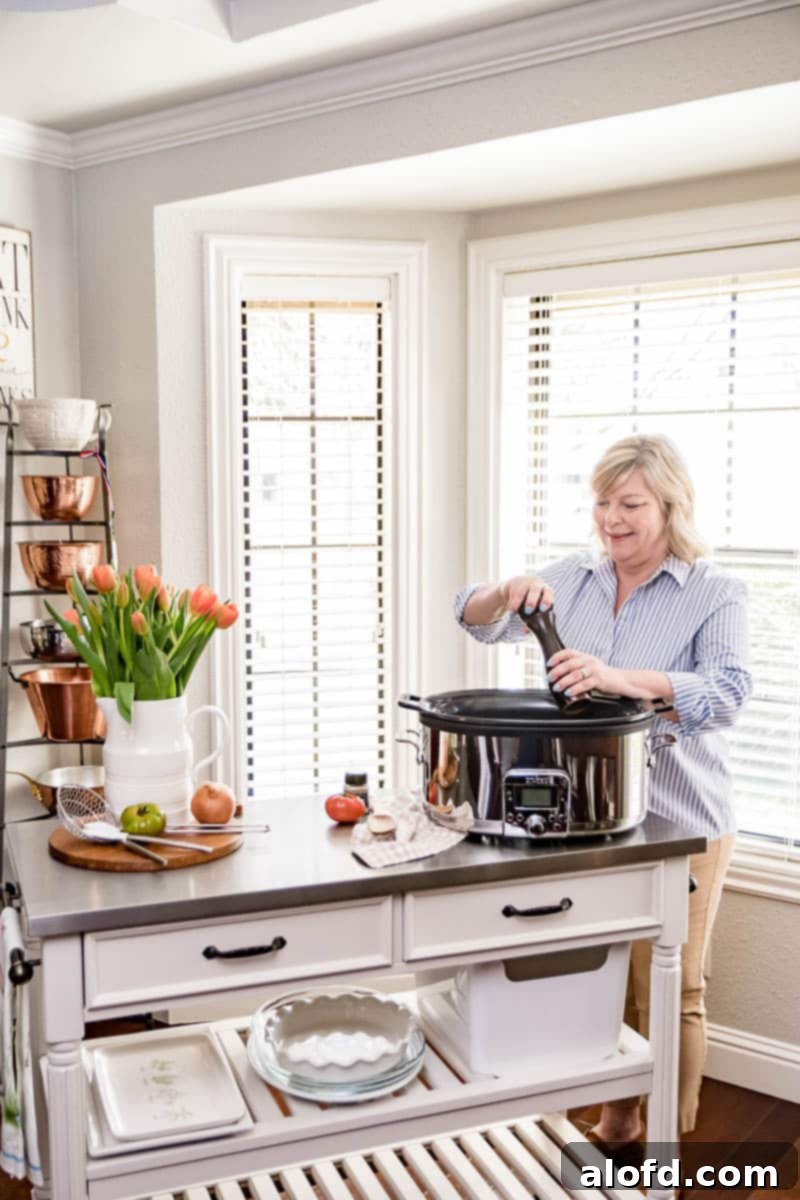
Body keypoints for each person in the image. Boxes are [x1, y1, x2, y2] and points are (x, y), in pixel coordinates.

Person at [455, 434, 752, 1142]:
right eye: (601, 502)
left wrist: (620, 680)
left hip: (680, 819)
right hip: (585, 819)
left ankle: (665, 1155)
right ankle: (619, 1118)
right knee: (602, 974)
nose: (611, 518)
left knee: (672, 989)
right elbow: (475, 617)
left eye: (630, 504)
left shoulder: (715, 591)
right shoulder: (577, 578)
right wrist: (505, 590)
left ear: (669, 506)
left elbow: (730, 694)